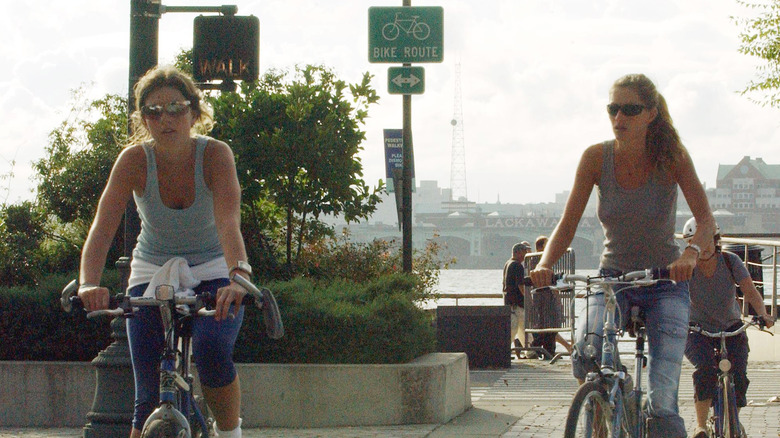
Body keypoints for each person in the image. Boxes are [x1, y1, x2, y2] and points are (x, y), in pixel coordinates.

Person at [530, 73, 716, 437]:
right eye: (613, 109)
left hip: (664, 281)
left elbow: (706, 220)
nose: (619, 119)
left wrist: (691, 254)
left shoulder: (672, 157)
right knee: (586, 354)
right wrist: (544, 264)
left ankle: (650, 412)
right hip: (613, 278)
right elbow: (567, 224)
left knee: (662, 403)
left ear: (651, 113)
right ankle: (618, 395)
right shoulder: (596, 158)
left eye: (629, 110)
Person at [77, 65, 249, 438]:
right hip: (151, 271)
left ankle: (230, 431)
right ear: (143, 119)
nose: (165, 118)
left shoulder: (216, 155)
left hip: (214, 267)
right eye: (154, 111)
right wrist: (88, 283)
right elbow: (102, 228)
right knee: (146, 397)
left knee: (211, 349)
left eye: (176, 108)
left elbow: (228, 224)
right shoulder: (134, 160)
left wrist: (238, 277)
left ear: (194, 112)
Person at [681, 218, 774, 438]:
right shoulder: (687, 267)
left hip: (732, 327)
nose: (704, 248)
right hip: (697, 330)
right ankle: (701, 426)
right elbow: (674, 297)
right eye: (697, 243)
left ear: (715, 241)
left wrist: (762, 314)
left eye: (707, 242)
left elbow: (749, 291)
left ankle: (734, 419)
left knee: (739, 374)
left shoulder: (731, 261)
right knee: (705, 370)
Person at [528, 235, 572, 358]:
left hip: (541, 298)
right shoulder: (541, 262)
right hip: (546, 298)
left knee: (547, 326)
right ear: (542, 246)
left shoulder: (534, 261)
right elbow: (550, 281)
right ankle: (537, 347)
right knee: (549, 325)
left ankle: (547, 350)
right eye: (547, 245)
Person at [503, 241, 532, 358]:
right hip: (517, 303)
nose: (526, 254)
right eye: (525, 251)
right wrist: (528, 298)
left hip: (509, 302)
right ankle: (530, 351)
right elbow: (521, 285)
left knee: (518, 328)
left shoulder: (508, 263)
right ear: (519, 252)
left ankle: (530, 351)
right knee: (519, 327)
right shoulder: (518, 266)